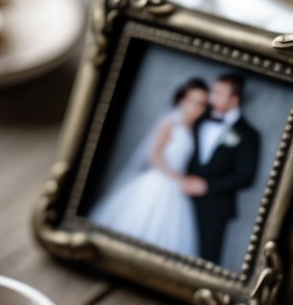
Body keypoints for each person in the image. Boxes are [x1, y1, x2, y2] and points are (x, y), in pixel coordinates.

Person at [88, 78, 209, 256]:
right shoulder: (171, 121)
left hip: (176, 187)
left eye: (202, 104)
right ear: (182, 100)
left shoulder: (193, 128)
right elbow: (154, 155)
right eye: (192, 101)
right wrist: (179, 179)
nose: (196, 108)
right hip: (159, 181)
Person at [180, 73, 260, 266]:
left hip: (215, 208)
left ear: (234, 99)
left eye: (218, 93)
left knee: (206, 258)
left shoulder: (248, 134)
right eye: (212, 91)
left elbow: (246, 177)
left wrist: (207, 186)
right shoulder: (198, 120)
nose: (211, 96)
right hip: (181, 199)